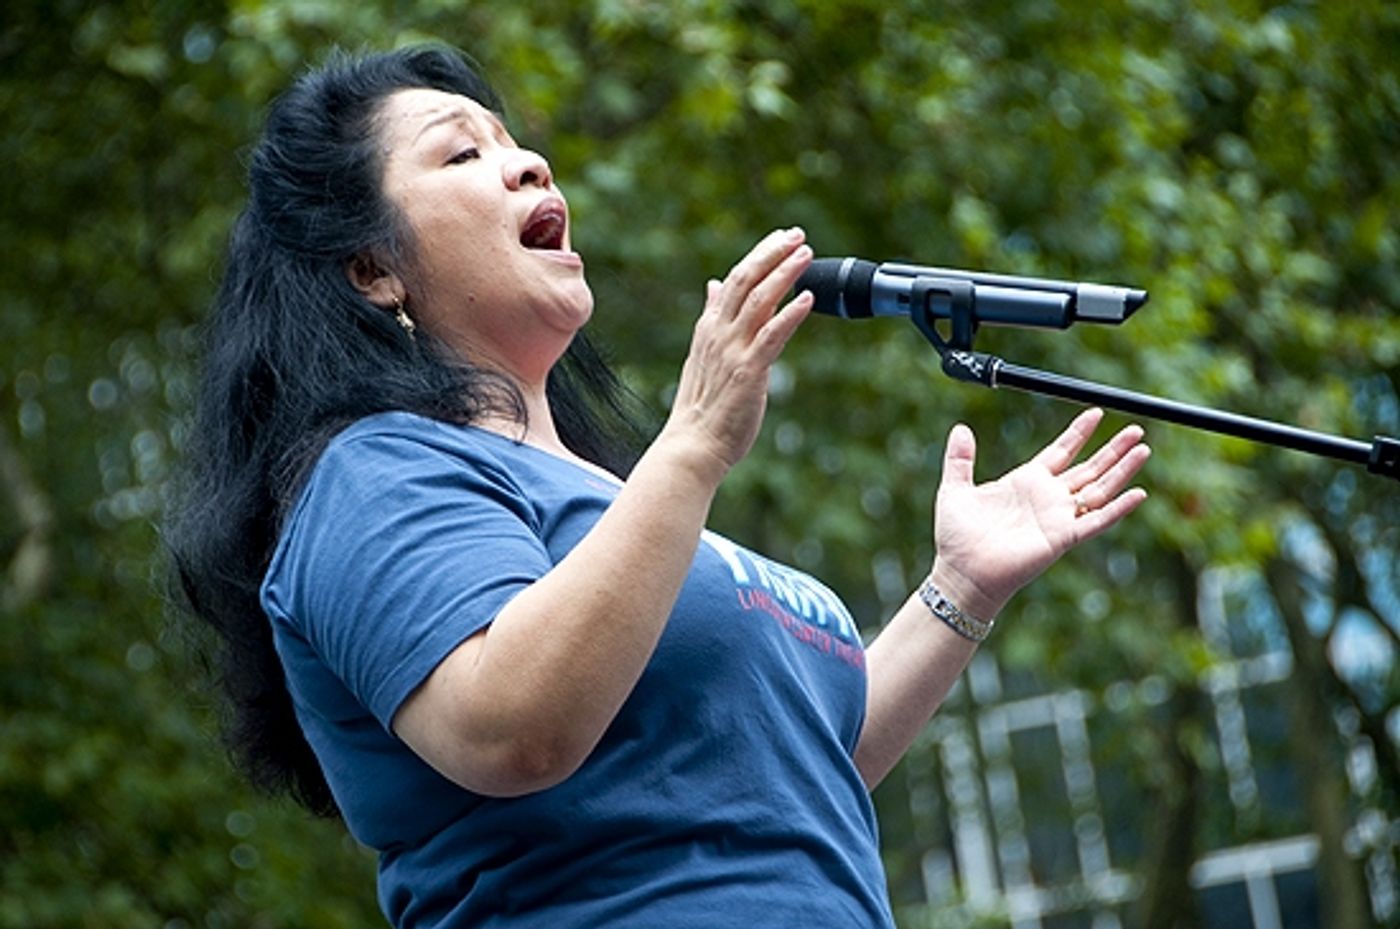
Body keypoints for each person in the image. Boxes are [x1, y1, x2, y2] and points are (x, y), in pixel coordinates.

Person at [167, 44, 1150, 929]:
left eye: (517, 144)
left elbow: (794, 776)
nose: (528, 164)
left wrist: (958, 592)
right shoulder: (372, 474)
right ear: (374, 267)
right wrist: (692, 449)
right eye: (460, 154)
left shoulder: (620, 497)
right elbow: (512, 728)